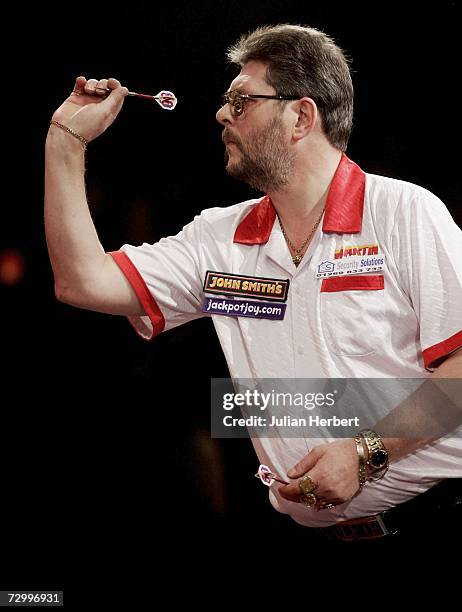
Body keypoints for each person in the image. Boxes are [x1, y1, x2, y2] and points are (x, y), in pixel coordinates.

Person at [45, 24, 462, 541]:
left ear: (301, 116)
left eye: (241, 101)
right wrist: (65, 142)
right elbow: (81, 281)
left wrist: (365, 452)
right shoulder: (218, 239)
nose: (221, 113)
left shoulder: (403, 211)